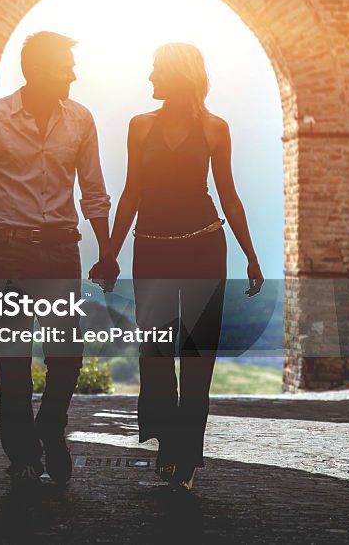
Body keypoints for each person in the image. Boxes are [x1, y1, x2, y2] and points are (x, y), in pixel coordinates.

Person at [0, 31, 119, 486]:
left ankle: (50, 425)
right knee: (12, 360)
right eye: (65, 65)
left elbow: (94, 191)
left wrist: (105, 251)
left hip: (60, 249)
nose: (73, 73)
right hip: (7, 251)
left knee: (66, 354)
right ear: (38, 70)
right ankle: (23, 454)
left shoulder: (80, 120)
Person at [106, 42, 264, 490]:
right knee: (155, 353)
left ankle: (186, 454)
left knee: (197, 354)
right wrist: (110, 253)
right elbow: (131, 193)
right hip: (152, 249)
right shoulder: (139, 126)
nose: (150, 77)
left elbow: (228, 194)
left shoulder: (215, 129)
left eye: (156, 69)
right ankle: (168, 443)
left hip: (204, 248)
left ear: (177, 75)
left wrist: (251, 254)